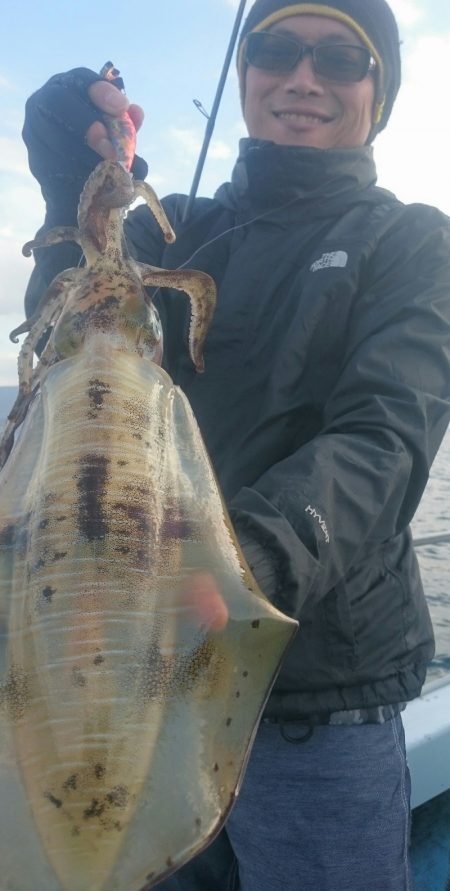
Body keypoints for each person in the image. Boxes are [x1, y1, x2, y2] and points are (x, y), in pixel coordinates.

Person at [20, 0, 450, 888]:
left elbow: (385, 438)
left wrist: (232, 569)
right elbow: (65, 340)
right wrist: (70, 178)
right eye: (277, 49)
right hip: (142, 674)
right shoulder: (168, 228)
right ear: (249, 70)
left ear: (381, 89)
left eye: (340, 59)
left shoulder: (411, 242)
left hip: (317, 703)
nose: (302, 78)